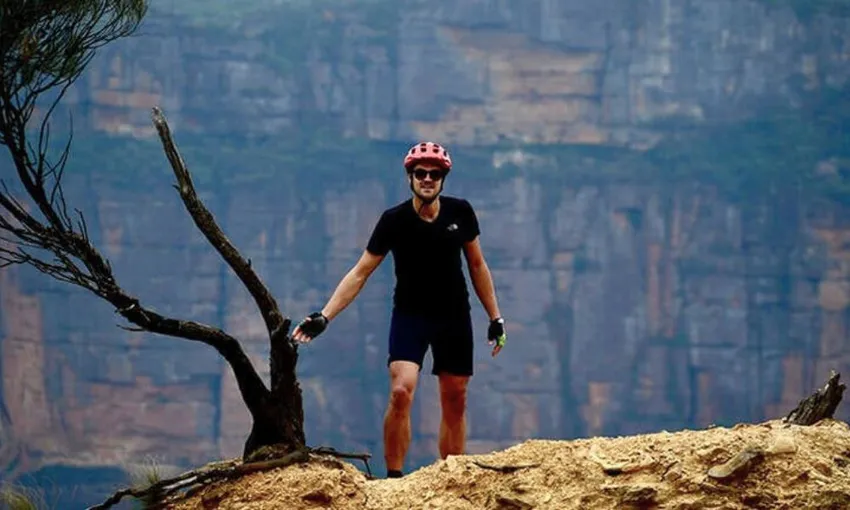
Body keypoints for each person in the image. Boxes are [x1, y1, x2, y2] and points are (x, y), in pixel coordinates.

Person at [291, 141, 507, 478]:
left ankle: (451, 476)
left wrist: (495, 318)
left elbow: (478, 266)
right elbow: (361, 271)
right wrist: (324, 316)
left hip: (454, 316)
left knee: (455, 397)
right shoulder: (394, 220)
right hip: (410, 315)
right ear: (410, 177)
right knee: (401, 390)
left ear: (443, 179)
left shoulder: (460, 212)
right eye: (420, 173)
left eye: (435, 174)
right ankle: (394, 479)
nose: (427, 179)